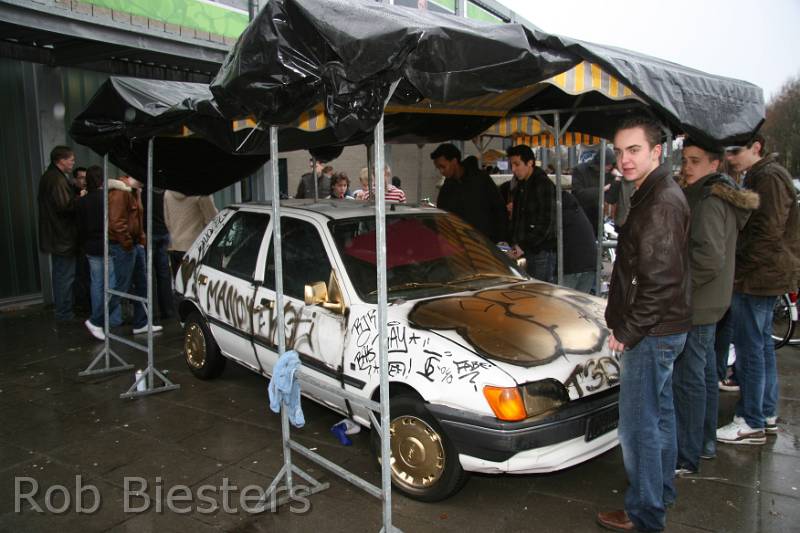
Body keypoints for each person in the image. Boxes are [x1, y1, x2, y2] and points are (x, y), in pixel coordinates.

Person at [597, 114, 691, 533]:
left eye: (634, 150)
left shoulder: (660, 201)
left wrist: (628, 330)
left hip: (652, 332)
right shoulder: (653, 192)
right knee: (660, 418)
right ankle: (659, 495)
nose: (625, 159)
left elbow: (661, 280)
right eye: (619, 151)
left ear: (656, 151)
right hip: (663, 328)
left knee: (638, 427)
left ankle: (645, 513)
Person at [672, 138, 758, 475]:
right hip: (711, 300)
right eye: (685, 159)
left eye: (695, 161)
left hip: (699, 302)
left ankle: (688, 453)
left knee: (690, 378)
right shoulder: (715, 195)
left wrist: (676, 287)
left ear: (714, 164)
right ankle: (703, 443)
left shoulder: (708, 200)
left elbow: (708, 257)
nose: (687, 166)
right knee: (704, 373)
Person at [716, 133, 800, 445]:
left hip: (759, 276)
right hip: (763, 274)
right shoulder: (765, 175)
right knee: (760, 345)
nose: (730, 157)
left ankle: (751, 420)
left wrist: (739, 265)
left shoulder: (768, 178)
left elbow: (767, 233)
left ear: (756, 148)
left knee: (751, 348)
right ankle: (764, 412)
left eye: (735, 151)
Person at [109, 176, 163, 335]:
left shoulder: (134, 191)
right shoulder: (121, 192)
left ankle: (142, 322)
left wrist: (140, 240)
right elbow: (117, 222)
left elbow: (136, 219)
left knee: (142, 284)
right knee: (123, 285)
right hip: (126, 245)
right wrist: (129, 243)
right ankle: (97, 320)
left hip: (134, 244)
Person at [75, 166, 122, 339]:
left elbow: (79, 227)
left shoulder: (82, 201)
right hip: (107, 243)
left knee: (96, 283)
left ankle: (98, 317)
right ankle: (112, 318)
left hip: (91, 245)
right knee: (112, 283)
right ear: (102, 180)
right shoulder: (107, 199)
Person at [431, 143, 507, 244]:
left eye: (443, 166)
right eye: (438, 168)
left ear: (454, 161)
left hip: (486, 243)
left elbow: (499, 209)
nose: (441, 171)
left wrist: (501, 240)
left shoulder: (480, 179)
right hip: (460, 244)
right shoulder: (446, 188)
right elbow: (443, 217)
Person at [38, 145, 78, 321]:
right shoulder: (57, 180)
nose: (73, 162)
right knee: (64, 276)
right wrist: (81, 198)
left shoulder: (51, 177)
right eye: (71, 159)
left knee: (61, 274)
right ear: (61, 160)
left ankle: (63, 310)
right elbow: (65, 207)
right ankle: (64, 312)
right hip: (62, 235)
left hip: (57, 235)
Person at [505, 144, 556, 282]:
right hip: (524, 251)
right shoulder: (520, 185)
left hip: (540, 253)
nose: (513, 169)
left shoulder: (543, 184)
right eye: (511, 165)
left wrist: (523, 245)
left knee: (538, 291)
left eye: (517, 164)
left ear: (530, 163)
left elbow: (547, 223)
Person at [164, 191, 218, 277]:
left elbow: (167, 222)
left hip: (175, 247)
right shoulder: (200, 193)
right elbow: (213, 219)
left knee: (179, 282)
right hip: (196, 248)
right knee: (196, 283)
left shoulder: (168, 193)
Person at [142, 186, 175, 320]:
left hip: (149, 233)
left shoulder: (144, 192)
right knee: (164, 273)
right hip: (164, 232)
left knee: (147, 274)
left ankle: (150, 310)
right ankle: (167, 310)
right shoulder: (167, 193)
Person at [571, 147, 618, 234]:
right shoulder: (580, 170)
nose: (610, 166)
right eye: (607, 164)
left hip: (597, 218)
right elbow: (578, 194)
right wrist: (602, 190)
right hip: (581, 215)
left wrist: (617, 179)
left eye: (611, 164)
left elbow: (611, 198)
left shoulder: (609, 173)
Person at [560, 190, 597, 293]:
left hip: (572, 266)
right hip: (590, 264)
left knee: (563, 300)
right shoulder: (578, 213)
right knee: (579, 301)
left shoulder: (562, 216)